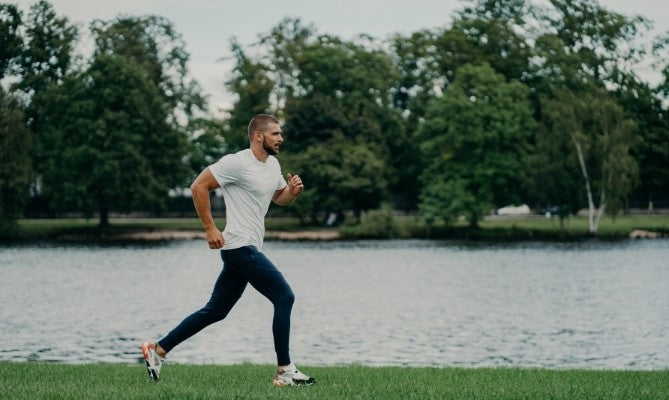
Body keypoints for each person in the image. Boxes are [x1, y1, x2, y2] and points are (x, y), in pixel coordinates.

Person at [141, 114, 315, 386]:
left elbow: (278, 198)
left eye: (280, 134)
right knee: (284, 297)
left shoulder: (273, 165)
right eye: (275, 134)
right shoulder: (237, 163)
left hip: (244, 249)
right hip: (239, 247)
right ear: (258, 136)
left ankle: (158, 350)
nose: (281, 138)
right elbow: (199, 186)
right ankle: (285, 370)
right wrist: (210, 228)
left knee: (216, 310)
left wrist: (291, 192)